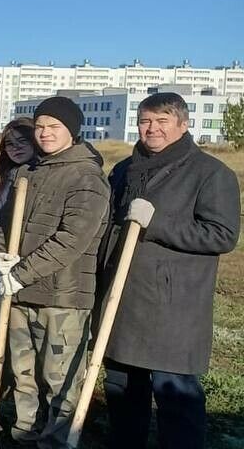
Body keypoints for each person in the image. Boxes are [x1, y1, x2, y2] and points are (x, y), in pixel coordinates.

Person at [102, 93, 240, 449]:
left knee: (175, 396)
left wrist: (157, 223)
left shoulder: (210, 173)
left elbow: (222, 235)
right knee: (122, 390)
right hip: (123, 299)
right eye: (146, 121)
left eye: (162, 121)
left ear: (183, 124)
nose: (153, 129)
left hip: (172, 306)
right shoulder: (123, 170)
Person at [0, 96, 109, 448]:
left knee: (59, 379)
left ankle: (57, 441)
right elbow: (2, 224)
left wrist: (22, 273)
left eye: (53, 127)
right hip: (20, 292)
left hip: (63, 297)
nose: (45, 134)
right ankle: (24, 432)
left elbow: (73, 239)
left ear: (72, 130)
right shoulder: (27, 172)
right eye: (40, 127)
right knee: (22, 373)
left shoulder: (87, 177)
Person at [0, 118, 35, 338]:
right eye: (10, 144)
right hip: (2, 264)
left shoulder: (36, 176)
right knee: (0, 330)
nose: (16, 148)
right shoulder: (5, 179)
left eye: (22, 141)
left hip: (28, 268)